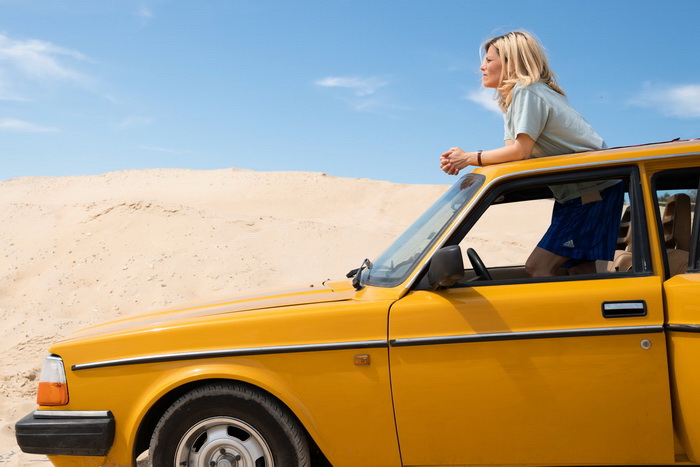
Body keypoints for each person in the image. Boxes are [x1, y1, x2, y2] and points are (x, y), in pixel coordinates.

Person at [440, 31, 623, 277]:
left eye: (489, 60)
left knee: (538, 266)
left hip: (592, 190)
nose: (481, 67)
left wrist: (468, 158)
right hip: (576, 193)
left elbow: (520, 152)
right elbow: (512, 155)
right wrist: (465, 162)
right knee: (579, 270)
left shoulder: (527, 92)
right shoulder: (512, 101)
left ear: (511, 63)